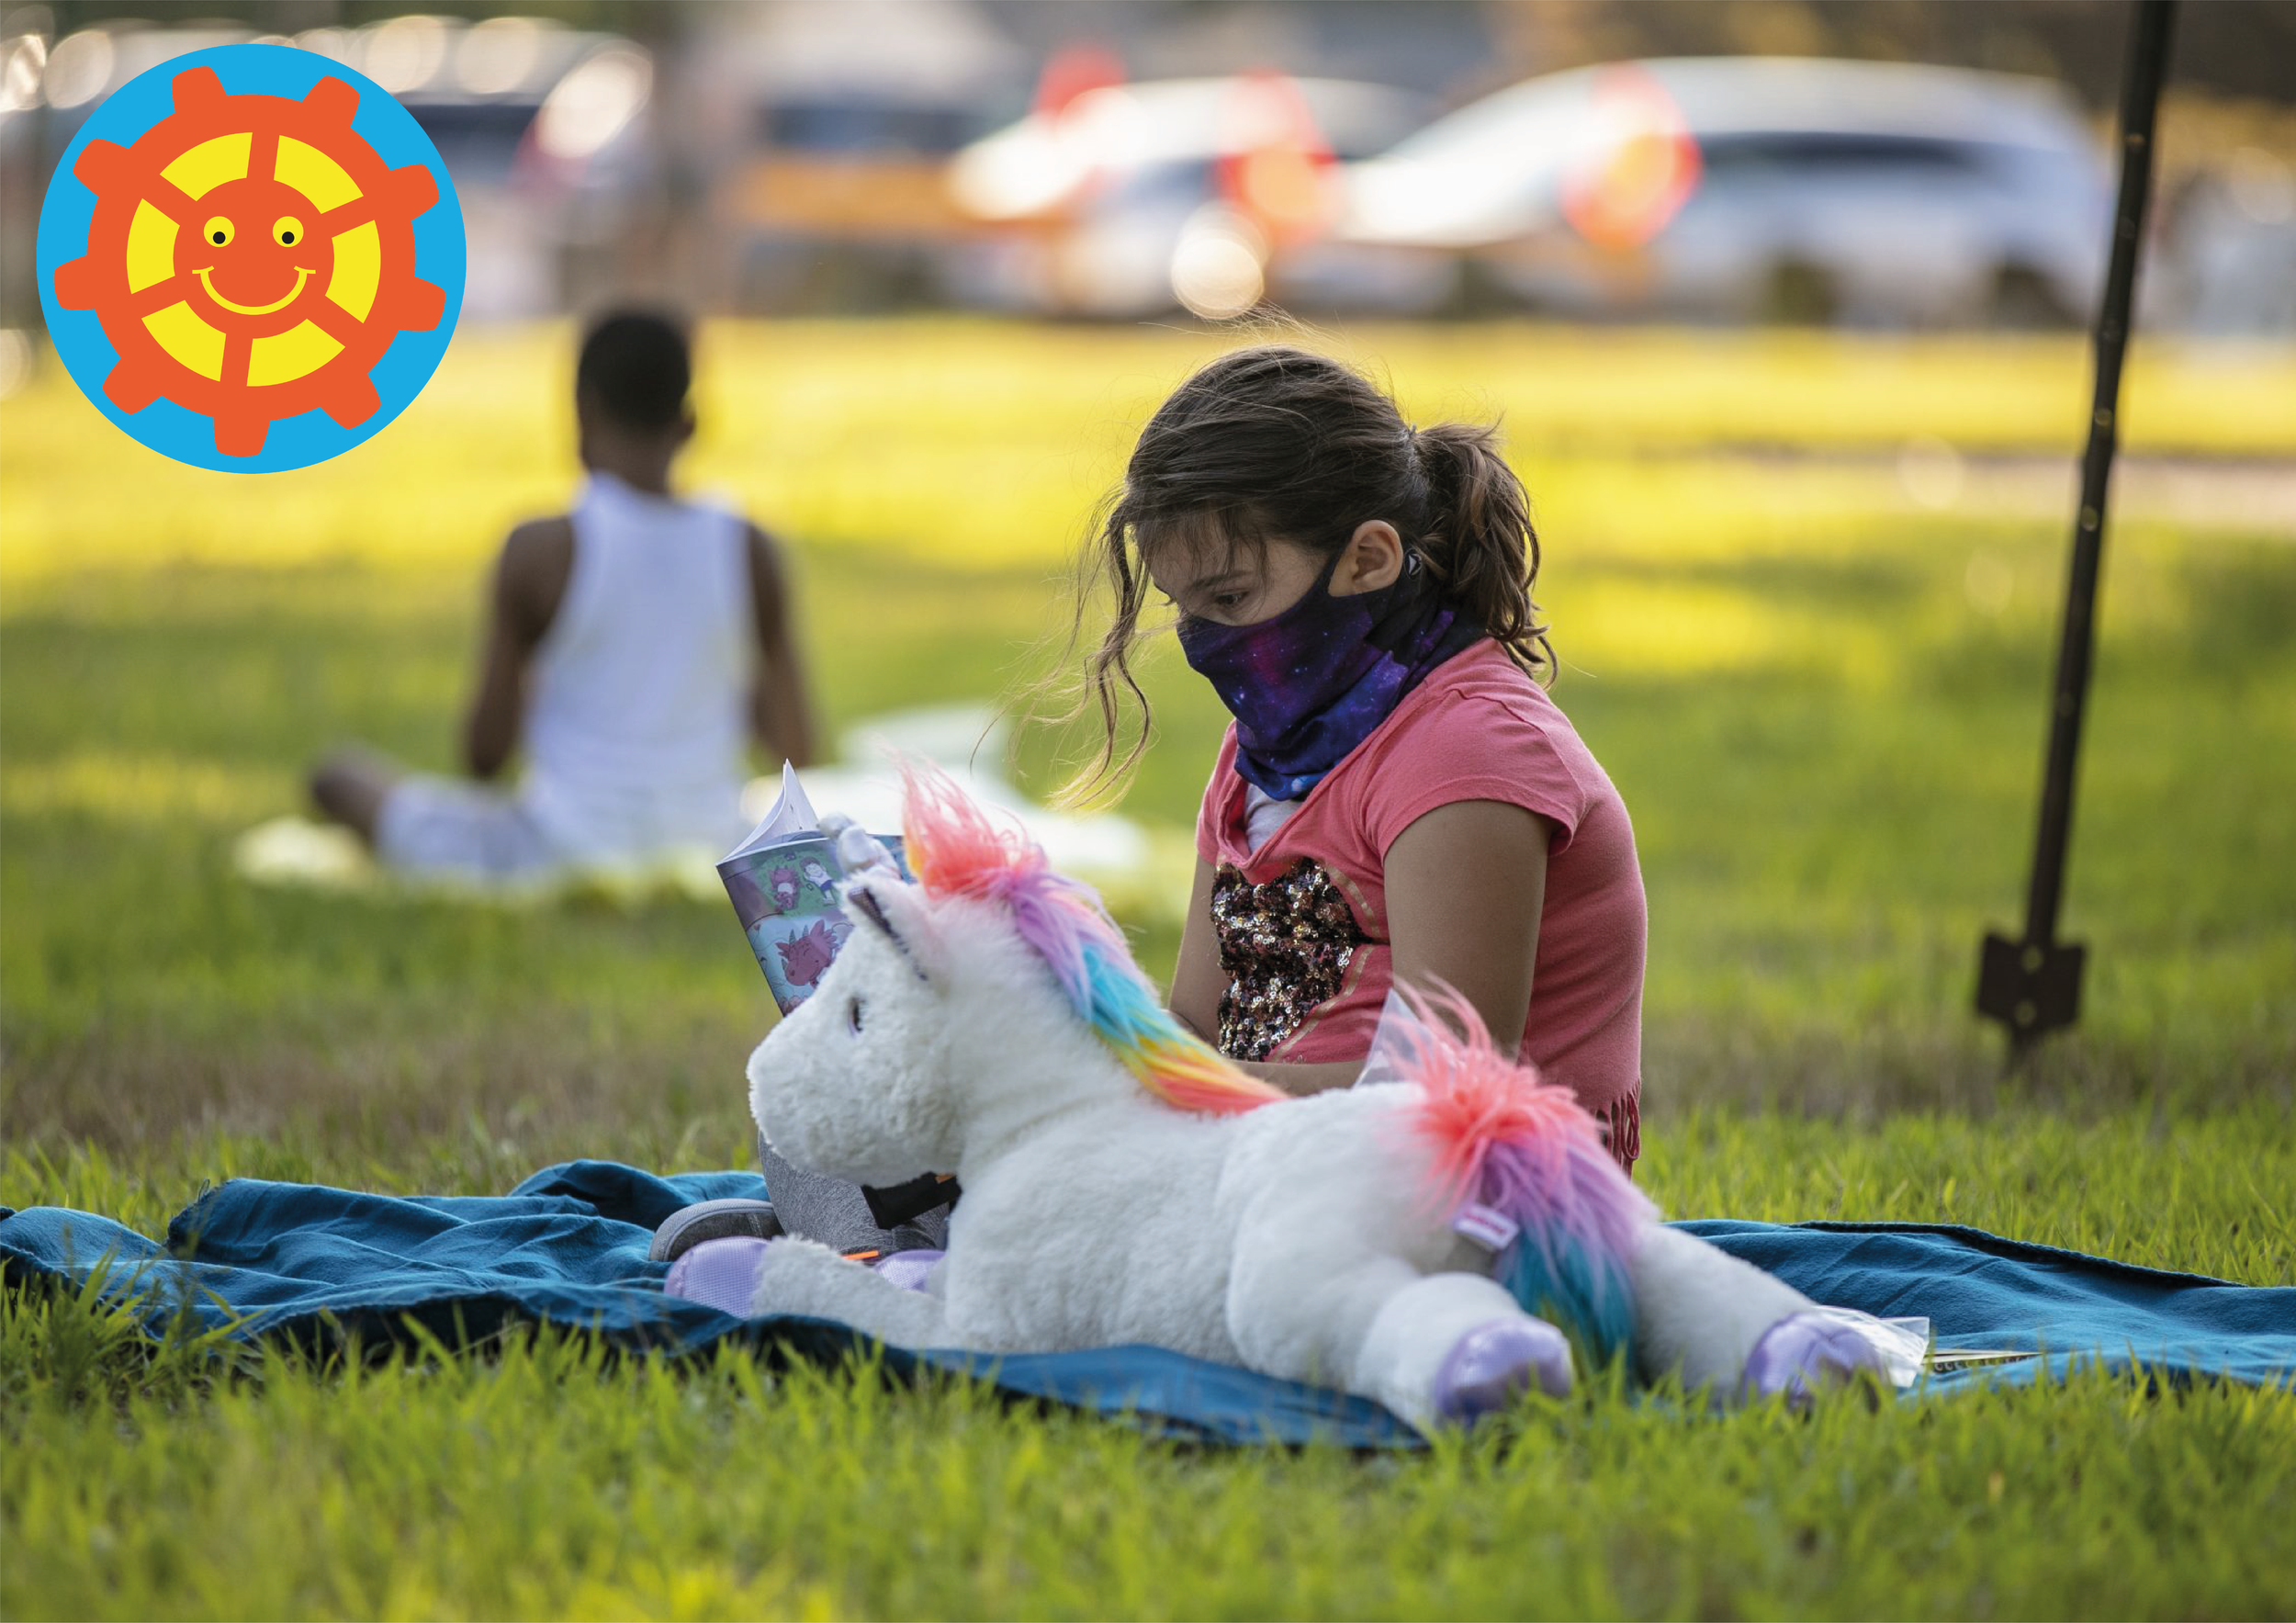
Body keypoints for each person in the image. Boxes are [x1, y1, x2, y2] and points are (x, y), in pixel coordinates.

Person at [1064, 344, 1647, 1172]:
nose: (1204, 642)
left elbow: (1440, 1098)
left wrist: (1178, 1097)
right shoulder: (1265, 748)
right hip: (1281, 1178)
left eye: (1230, 597)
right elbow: (1194, 1022)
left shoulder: (1465, 752)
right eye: (1186, 608)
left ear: (1367, 558)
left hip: (1490, 1214)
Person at [310, 309, 817, 882]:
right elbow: (797, 746)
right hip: (712, 838)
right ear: (691, 422)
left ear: (583, 411)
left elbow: (484, 757)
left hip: (559, 846)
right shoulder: (749, 547)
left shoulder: (542, 548)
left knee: (338, 779)